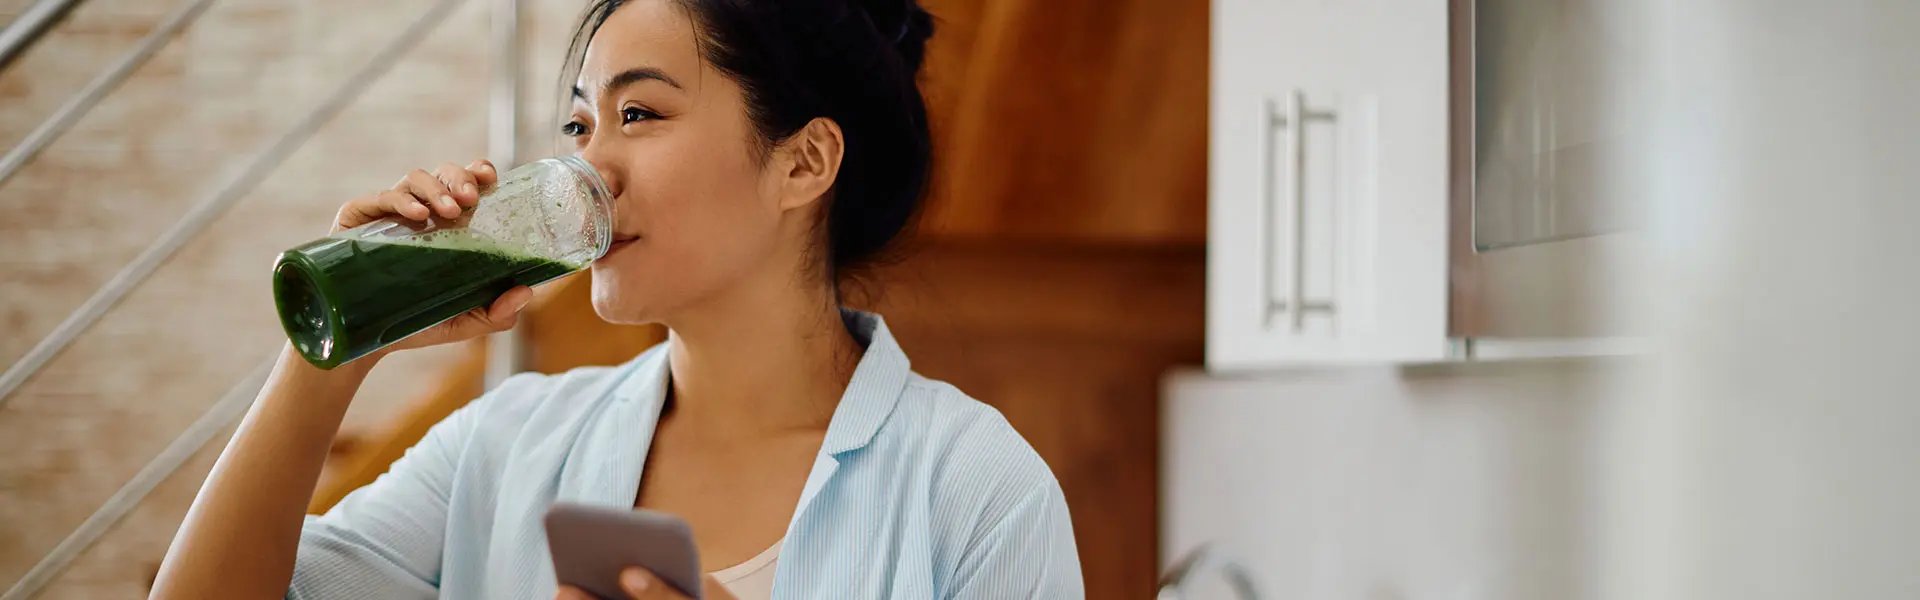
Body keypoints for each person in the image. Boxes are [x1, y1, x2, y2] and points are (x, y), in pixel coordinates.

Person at [150, 0, 1084, 598]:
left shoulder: (975, 492)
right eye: (580, 122)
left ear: (804, 161)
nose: (585, 166)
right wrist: (331, 360)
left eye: (638, 114)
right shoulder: (507, 444)